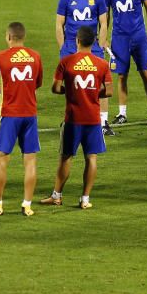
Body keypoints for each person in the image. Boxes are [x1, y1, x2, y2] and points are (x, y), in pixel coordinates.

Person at [40, 26, 112, 209]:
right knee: (91, 158)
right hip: (93, 120)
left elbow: (55, 88)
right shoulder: (102, 64)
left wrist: (71, 91)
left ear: (77, 41)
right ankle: (85, 199)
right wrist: (93, 93)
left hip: (73, 119)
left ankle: (57, 196)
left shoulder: (66, 62)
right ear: (95, 42)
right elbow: (109, 91)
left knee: (66, 158)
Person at [0, 22, 43, 217]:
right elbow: (37, 83)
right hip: (30, 115)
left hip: (8, 115)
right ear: (23, 37)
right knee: (30, 161)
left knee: (1, 159)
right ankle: (27, 204)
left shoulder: (0, 58)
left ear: (9, 37)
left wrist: (5, 90)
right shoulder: (35, 57)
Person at [56, 0, 114, 135]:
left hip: (93, 47)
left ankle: (103, 122)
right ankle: (71, 118)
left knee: (101, 83)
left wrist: (102, 43)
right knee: (71, 84)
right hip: (71, 48)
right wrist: (63, 48)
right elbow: (59, 25)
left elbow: (104, 23)